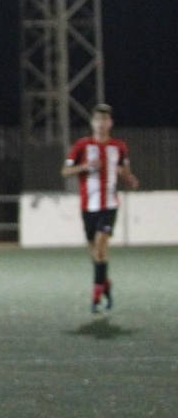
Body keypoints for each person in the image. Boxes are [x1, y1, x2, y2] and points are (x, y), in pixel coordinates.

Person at [62, 103, 139, 313]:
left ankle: (96, 295)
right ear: (92, 122)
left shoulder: (119, 146)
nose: (101, 124)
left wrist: (129, 179)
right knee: (95, 255)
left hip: (110, 205)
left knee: (100, 247)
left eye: (105, 120)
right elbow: (65, 172)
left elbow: (124, 169)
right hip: (88, 206)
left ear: (110, 123)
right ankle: (105, 283)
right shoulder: (81, 145)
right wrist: (86, 166)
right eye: (98, 120)